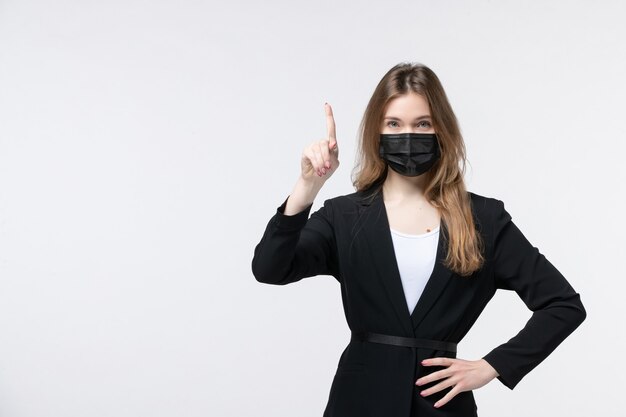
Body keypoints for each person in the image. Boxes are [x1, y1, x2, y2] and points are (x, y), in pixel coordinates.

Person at [251, 62, 586, 417]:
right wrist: (308, 187)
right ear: (376, 132)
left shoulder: (484, 219)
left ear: (441, 129)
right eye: (394, 124)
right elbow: (271, 268)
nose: (407, 134)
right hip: (359, 401)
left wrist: (492, 365)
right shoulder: (343, 216)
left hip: (442, 405)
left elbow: (563, 305)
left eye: (422, 124)